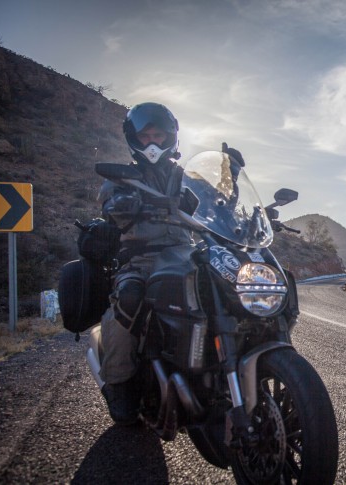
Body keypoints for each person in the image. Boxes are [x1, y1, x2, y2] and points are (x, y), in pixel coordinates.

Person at [98, 102, 244, 425]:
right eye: (146, 136)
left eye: (159, 136)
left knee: (224, 290)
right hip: (141, 261)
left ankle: (221, 368)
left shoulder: (185, 177)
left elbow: (218, 205)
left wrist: (229, 176)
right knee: (129, 299)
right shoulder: (123, 176)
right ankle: (119, 383)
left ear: (170, 138)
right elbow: (108, 202)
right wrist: (124, 202)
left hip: (185, 256)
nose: (153, 142)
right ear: (133, 138)